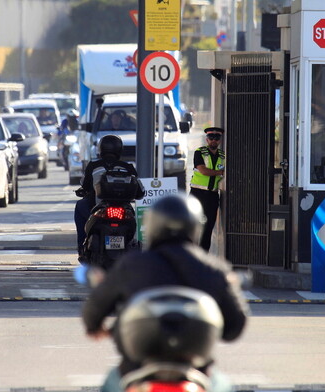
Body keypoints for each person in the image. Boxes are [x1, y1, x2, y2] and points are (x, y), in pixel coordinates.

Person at [82, 194, 249, 392]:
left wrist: (96, 328)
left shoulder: (132, 264)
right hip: (196, 369)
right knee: (221, 385)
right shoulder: (214, 269)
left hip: (136, 368)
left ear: (153, 225)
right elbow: (236, 324)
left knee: (112, 382)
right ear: (195, 228)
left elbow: (94, 309)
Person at [73, 135, 139, 260]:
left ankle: (81, 247)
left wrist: (84, 191)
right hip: (124, 209)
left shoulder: (93, 166)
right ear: (120, 149)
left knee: (80, 205)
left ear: (100, 149)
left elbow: (86, 186)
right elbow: (139, 190)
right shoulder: (128, 168)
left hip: (99, 208)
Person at [189, 127, 225, 251]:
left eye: (217, 138)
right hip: (197, 194)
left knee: (208, 227)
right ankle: (188, 252)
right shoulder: (199, 152)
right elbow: (203, 170)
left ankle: (203, 255)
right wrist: (220, 172)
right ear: (207, 139)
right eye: (211, 138)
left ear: (220, 140)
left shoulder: (223, 156)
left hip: (212, 196)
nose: (214, 140)